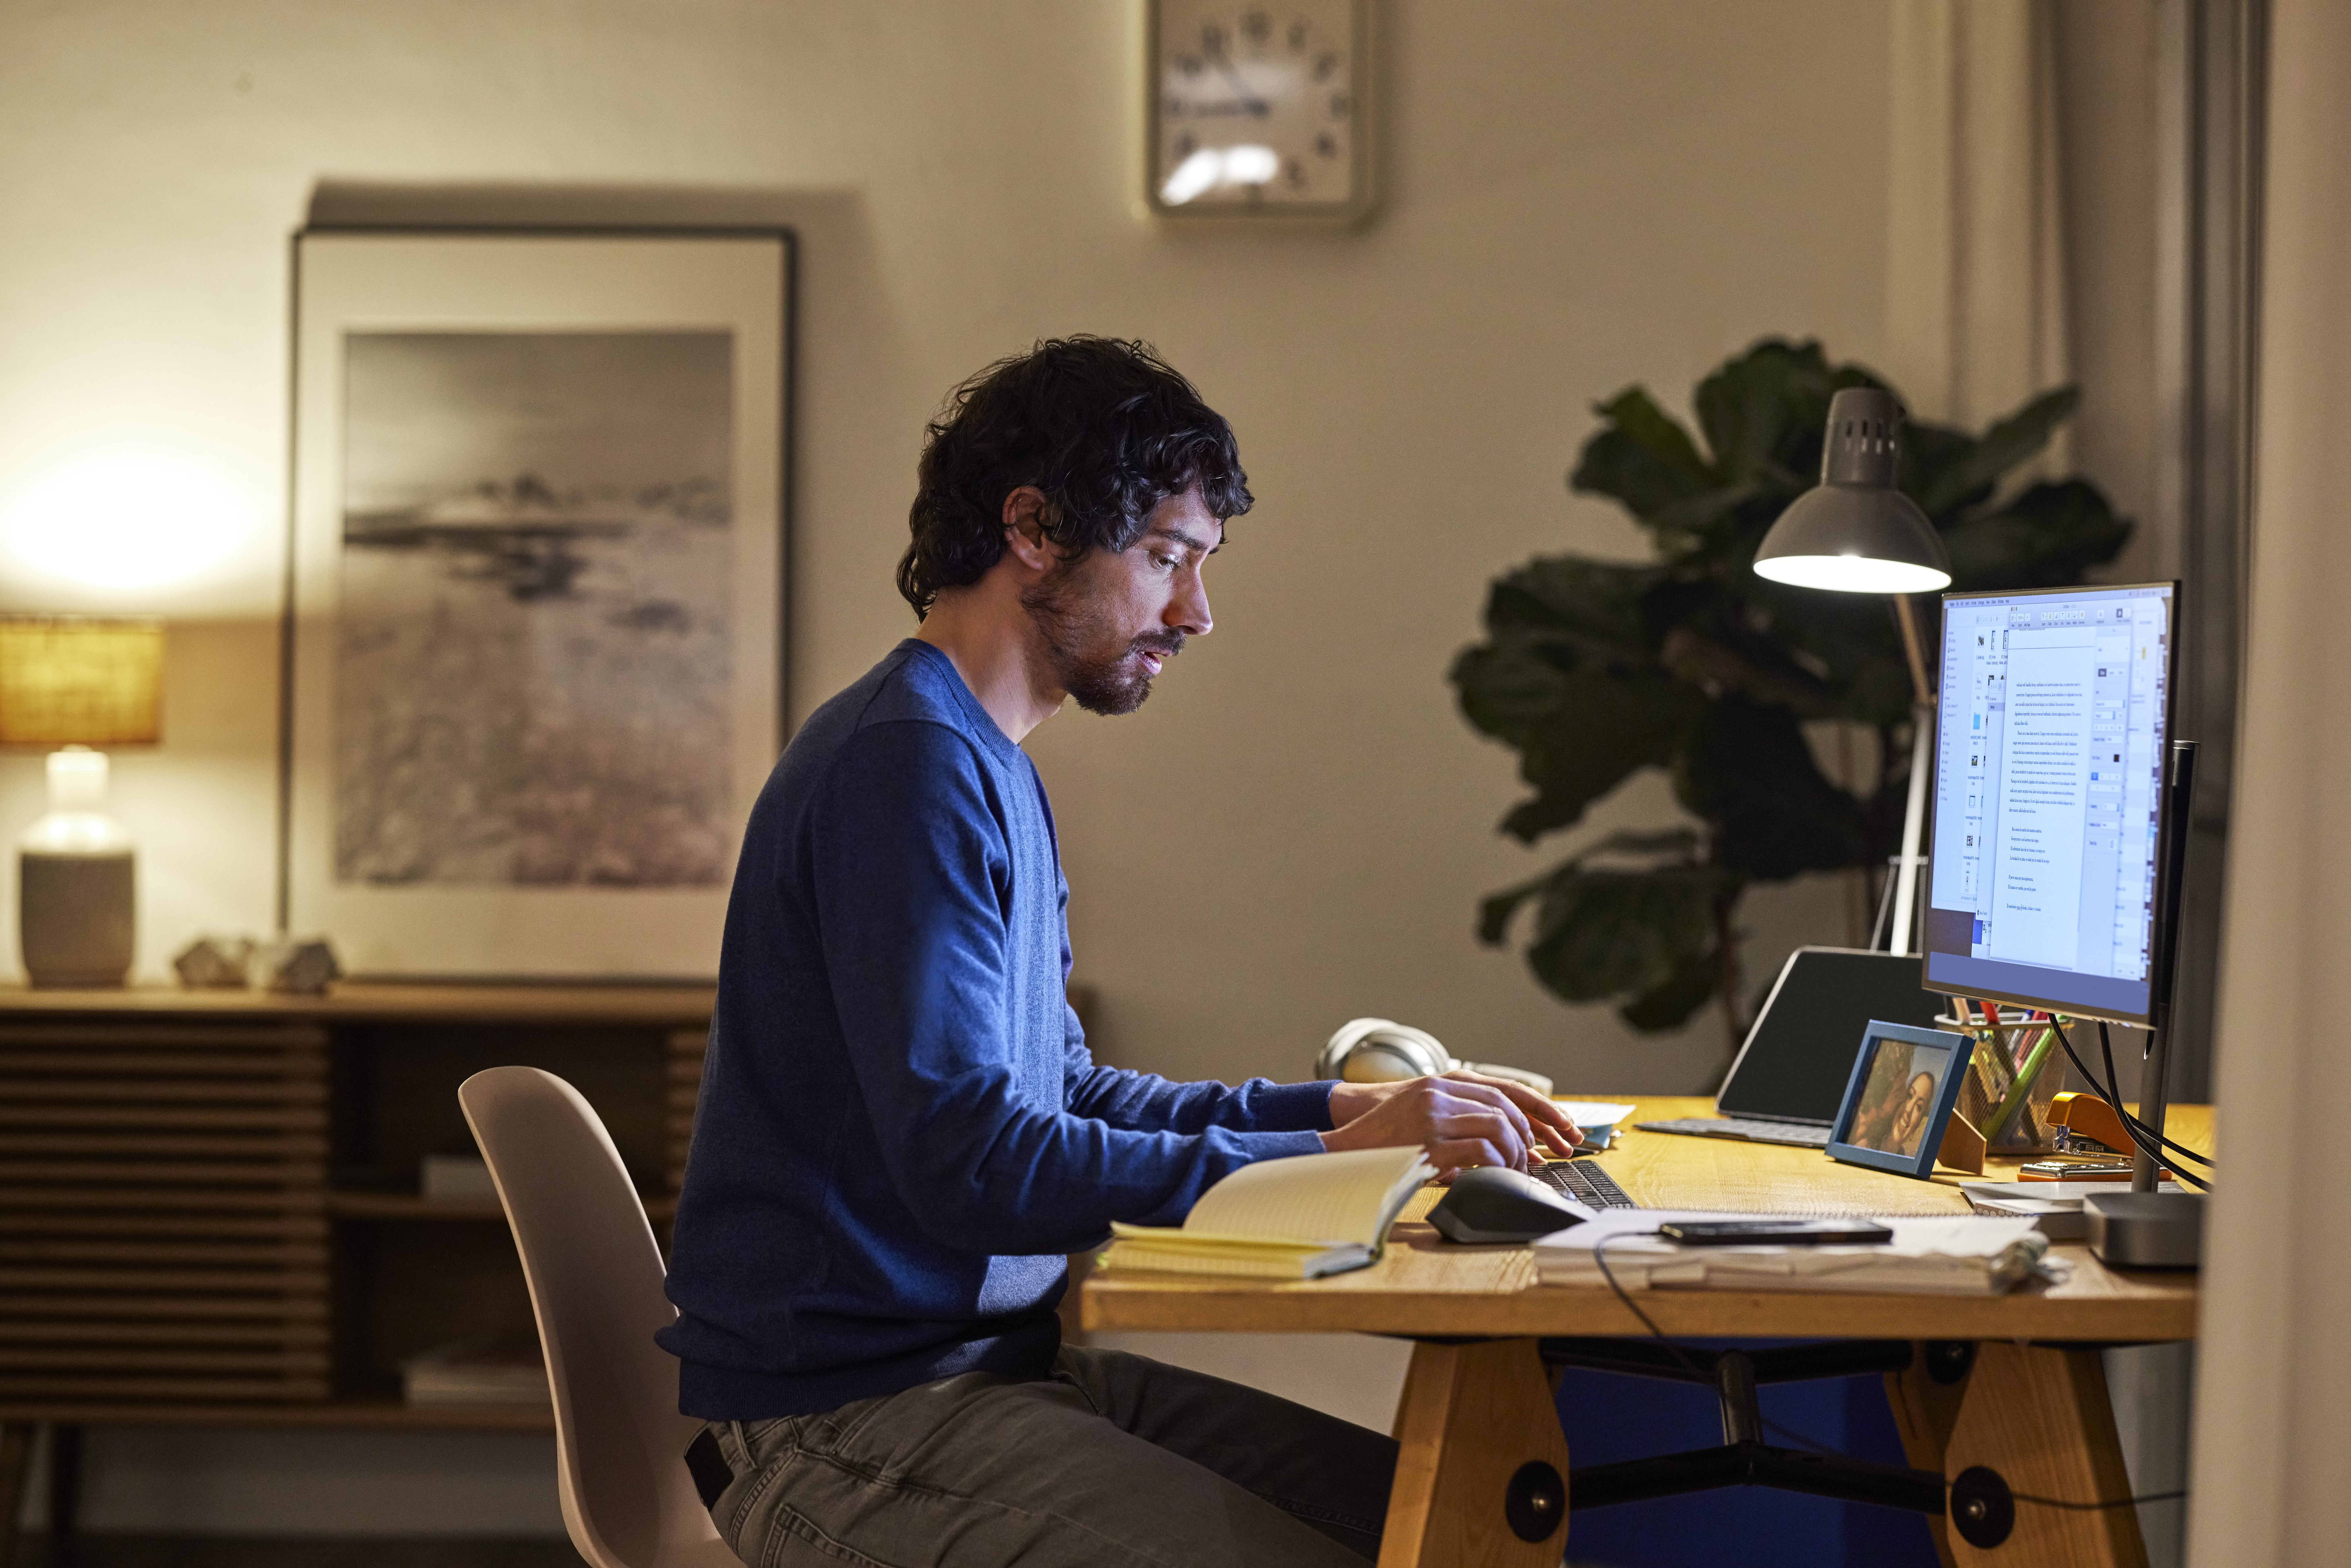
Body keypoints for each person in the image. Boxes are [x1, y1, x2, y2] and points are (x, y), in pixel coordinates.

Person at [659, 336, 1581, 1567]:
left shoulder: (976, 762)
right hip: (847, 1426)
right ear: (1032, 528)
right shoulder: (906, 768)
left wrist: (1356, 1108)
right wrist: (1319, 1150)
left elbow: (1066, 1093)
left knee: (1460, 1527)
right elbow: (973, 1164)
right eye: (1163, 559)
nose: (1193, 613)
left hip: (988, 1378)